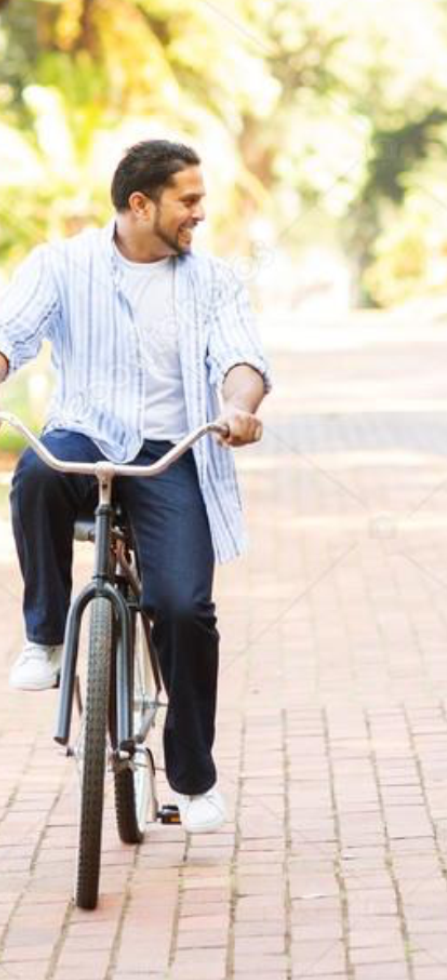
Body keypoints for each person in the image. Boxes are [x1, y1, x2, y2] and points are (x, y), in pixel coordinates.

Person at [0, 139, 271, 832]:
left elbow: (242, 357)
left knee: (183, 609)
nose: (200, 213)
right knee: (35, 473)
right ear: (140, 204)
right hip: (87, 432)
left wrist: (239, 406)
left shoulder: (212, 280)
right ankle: (46, 637)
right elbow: (12, 334)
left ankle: (193, 776)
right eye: (189, 200)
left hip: (174, 450)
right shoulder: (63, 265)